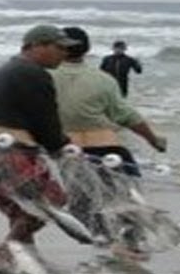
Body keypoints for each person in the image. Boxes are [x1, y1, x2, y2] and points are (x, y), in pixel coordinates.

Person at [51, 26, 167, 250]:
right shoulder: (103, 79)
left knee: (83, 207)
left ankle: (105, 250)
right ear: (87, 50)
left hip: (71, 153)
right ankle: (130, 250)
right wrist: (153, 139)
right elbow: (126, 116)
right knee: (127, 204)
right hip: (109, 149)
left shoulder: (44, 77)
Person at [0, 24, 78, 268]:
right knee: (51, 201)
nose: (65, 54)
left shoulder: (9, 68)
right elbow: (46, 125)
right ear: (36, 46)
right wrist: (63, 147)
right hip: (10, 150)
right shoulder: (33, 74)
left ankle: (25, 260)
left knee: (20, 210)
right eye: (59, 48)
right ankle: (3, 255)